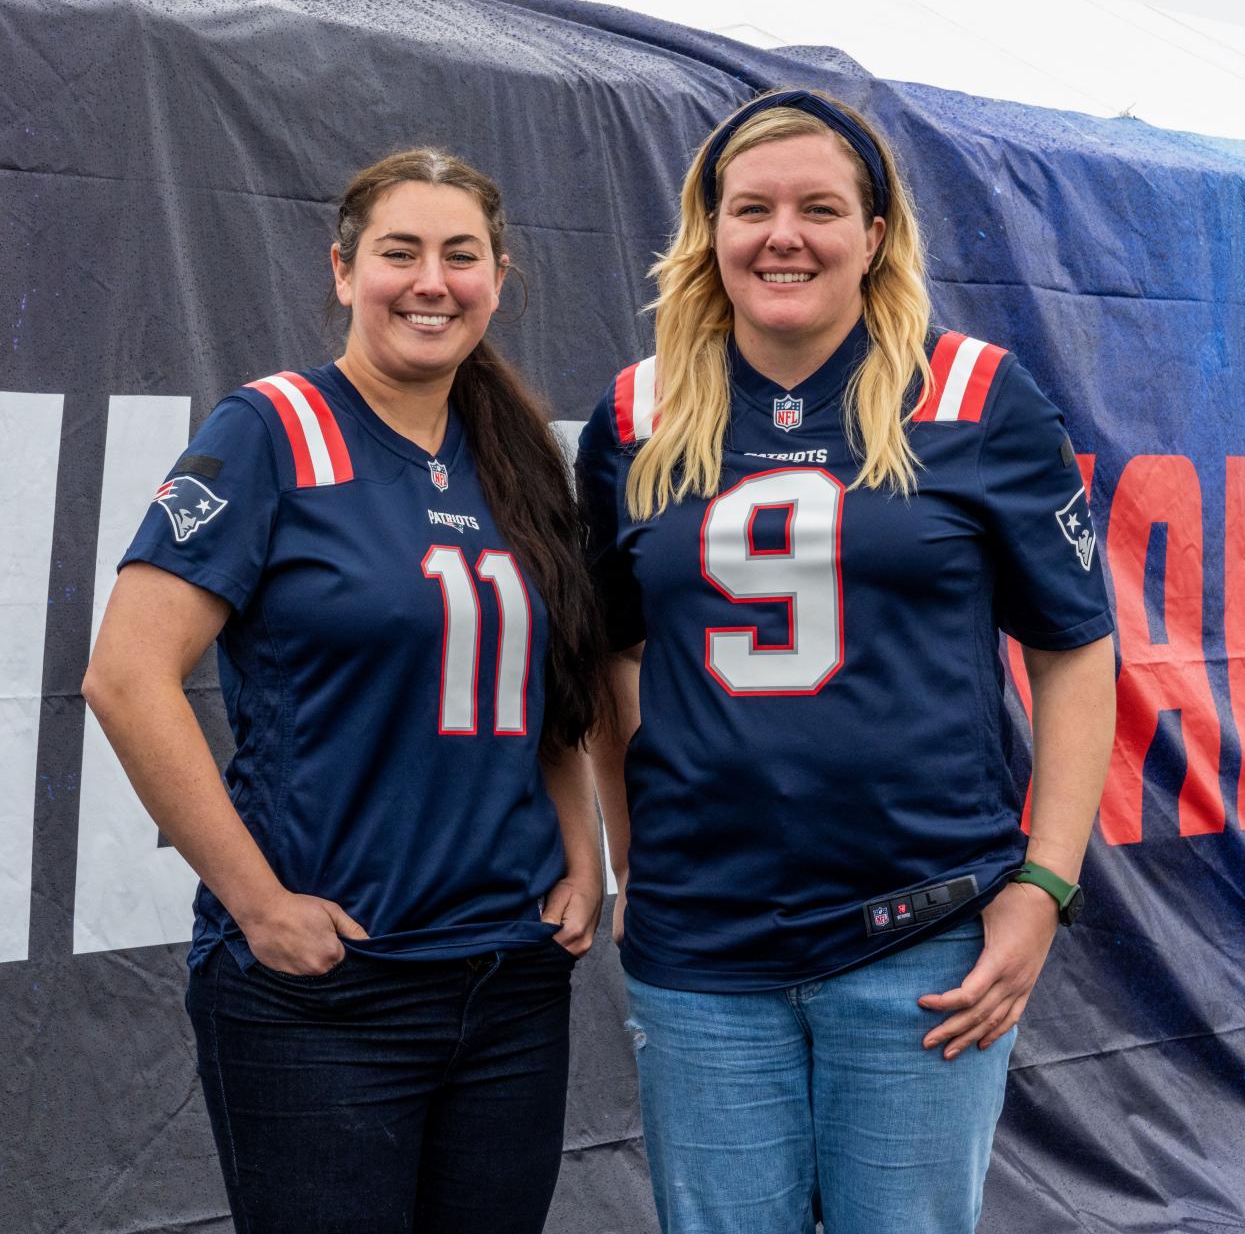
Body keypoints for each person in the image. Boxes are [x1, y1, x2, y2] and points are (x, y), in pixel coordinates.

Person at [577, 89, 1117, 1234]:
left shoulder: (973, 394)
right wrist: (635, 858)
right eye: (751, 208)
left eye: (819, 208)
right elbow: (615, 655)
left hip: (920, 925)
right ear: (706, 228)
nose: (784, 235)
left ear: (872, 235)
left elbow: (1075, 650)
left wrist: (1045, 883)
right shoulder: (635, 412)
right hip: (704, 938)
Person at [82, 147, 607, 1234]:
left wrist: (585, 854)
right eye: (398, 252)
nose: (431, 280)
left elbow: (542, 688)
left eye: (461, 256)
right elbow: (126, 677)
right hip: (328, 990)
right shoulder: (272, 430)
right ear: (341, 270)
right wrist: (258, 903)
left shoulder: (511, 459)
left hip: (506, 982)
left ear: (496, 279)